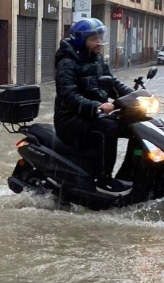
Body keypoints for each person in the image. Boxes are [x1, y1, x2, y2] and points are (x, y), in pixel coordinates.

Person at [53, 18, 135, 196]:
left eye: (100, 37)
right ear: (81, 40)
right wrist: (97, 106)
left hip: (93, 115)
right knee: (109, 127)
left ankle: (131, 172)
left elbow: (112, 83)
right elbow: (69, 96)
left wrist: (134, 95)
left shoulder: (97, 59)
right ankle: (103, 179)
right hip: (70, 119)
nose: (99, 42)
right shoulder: (67, 63)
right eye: (94, 39)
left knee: (134, 125)